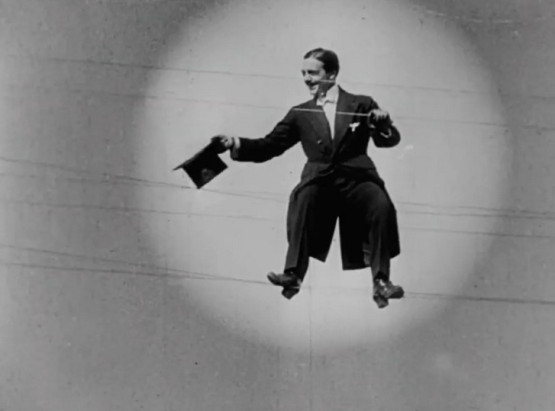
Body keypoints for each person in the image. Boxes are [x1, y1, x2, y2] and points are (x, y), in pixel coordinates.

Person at [211, 48, 404, 308]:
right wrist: (234, 143)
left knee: (380, 204)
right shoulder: (300, 113)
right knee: (304, 198)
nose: (306, 79)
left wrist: (384, 124)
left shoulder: (362, 103)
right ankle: (293, 275)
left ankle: (381, 282)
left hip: (357, 178)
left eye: (312, 73)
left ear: (331, 74)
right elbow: (268, 146)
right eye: (303, 73)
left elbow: (387, 141)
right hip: (320, 179)